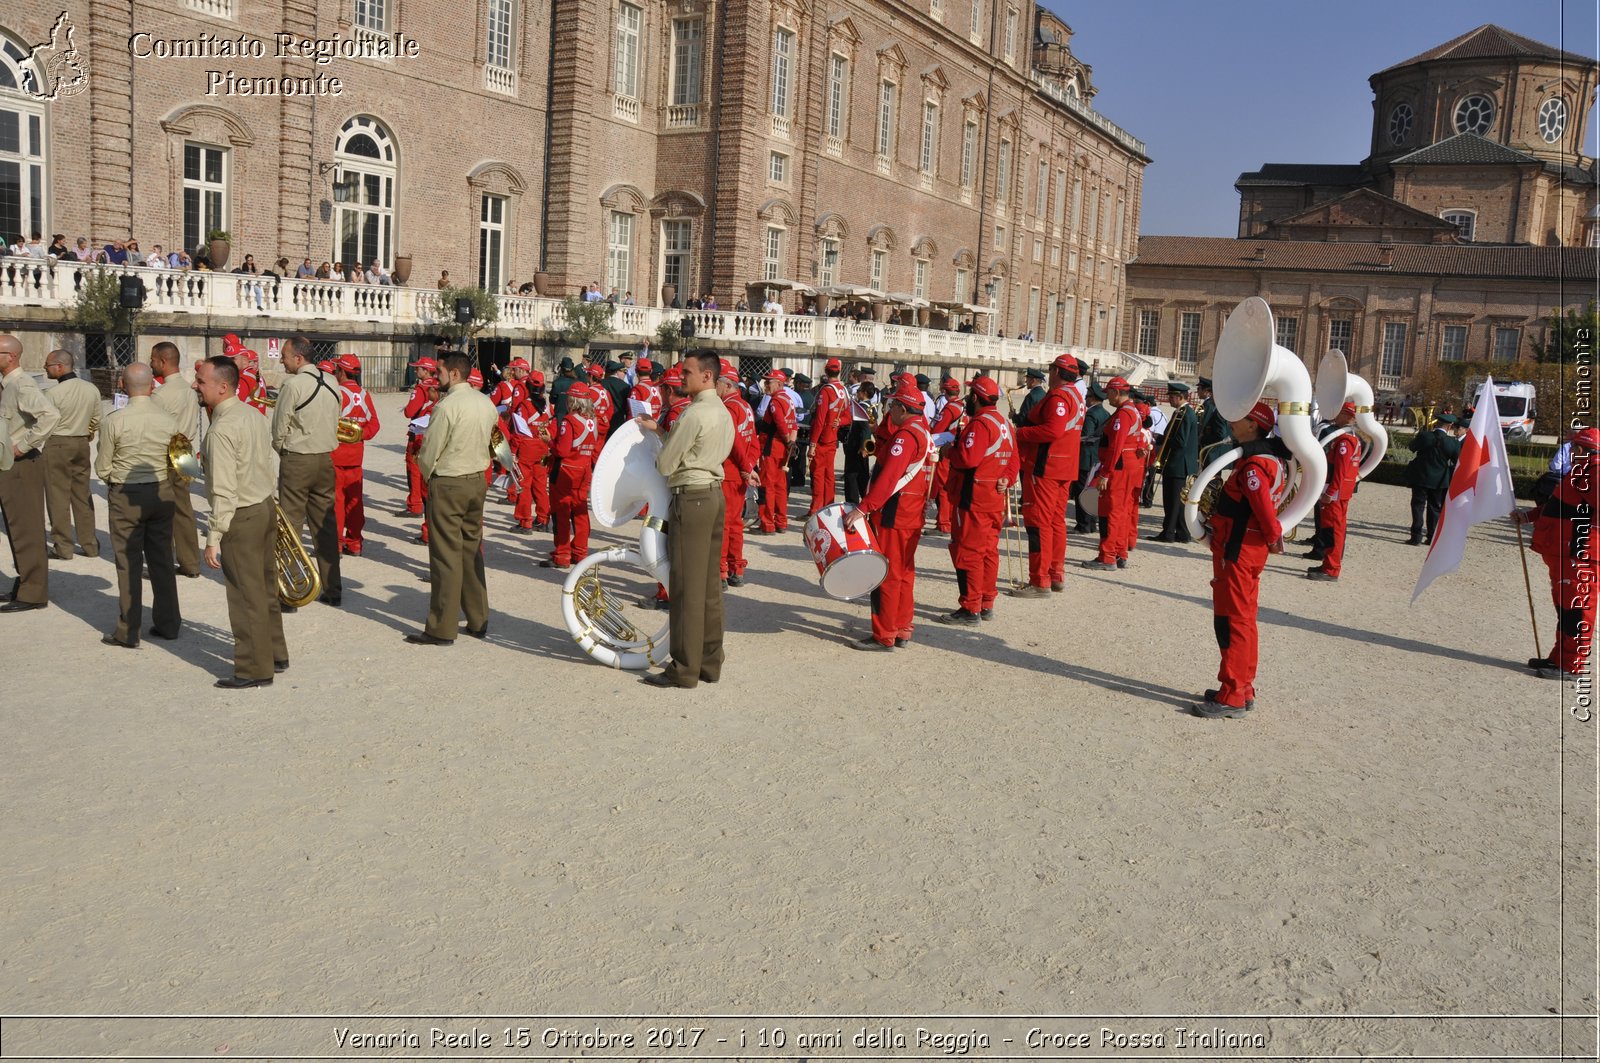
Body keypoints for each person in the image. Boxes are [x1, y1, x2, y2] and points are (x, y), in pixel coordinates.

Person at [638, 351, 734, 689]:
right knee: (708, 587)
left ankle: (683, 668)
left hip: (690, 498)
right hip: (712, 494)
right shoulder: (722, 410)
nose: (682, 378)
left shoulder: (694, 414)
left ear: (707, 376)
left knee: (686, 588)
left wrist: (662, 438)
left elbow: (665, 465)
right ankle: (709, 662)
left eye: (688, 372)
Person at [194, 356, 286, 688]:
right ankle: (275, 652)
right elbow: (264, 462)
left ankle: (253, 668)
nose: (196, 386)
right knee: (265, 587)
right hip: (262, 506)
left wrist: (213, 536)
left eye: (202, 381)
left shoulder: (222, 429)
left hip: (241, 516)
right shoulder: (251, 414)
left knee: (245, 596)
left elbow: (223, 490)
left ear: (222, 386)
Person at [1191, 400, 1286, 719]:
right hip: (1245, 547)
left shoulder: (1254, 465)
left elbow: (1263, 510)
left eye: (1241, 417)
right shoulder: (1268, 459)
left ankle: (1232, 694)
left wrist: (1274, 537)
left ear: (1254, 425)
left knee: (1231, 620)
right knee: (1243, 618)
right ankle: (1242, 686)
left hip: (1237, 549)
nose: (1234, 420)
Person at [406, 352, 497, 645]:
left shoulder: (446, 406)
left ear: (455, 374)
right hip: (476, 481)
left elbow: (430, 450)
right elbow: (495, 442)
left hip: (449, 482)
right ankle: (478, 618)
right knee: (471, 551)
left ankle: (441, 628)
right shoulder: (486, 402)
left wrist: (427, 473)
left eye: (441, 372)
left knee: (445, 555)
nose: (438, 376)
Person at [95, 362, 181, 647]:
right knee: (162, 561)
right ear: (152, 385)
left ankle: (129, 630)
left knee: (128, 563)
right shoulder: (169, 420)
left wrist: (115, 480)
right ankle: (169, 624)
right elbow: (182, 462)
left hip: (126, 495)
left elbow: (103, 466)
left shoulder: (114, 420)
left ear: (122, 385)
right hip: (161, 492)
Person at [846, 383, 933, 650]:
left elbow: (888, 479)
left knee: (886, 574)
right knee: (905, 573)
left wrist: (863, 509)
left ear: (902, 408)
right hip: (911, 511)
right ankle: (902, 627)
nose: (890, 409)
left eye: (893, 405)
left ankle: (884, 634)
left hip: (895, 514)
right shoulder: (923, 431)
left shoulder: (906, 436)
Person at [1514, 426, 1599, 681]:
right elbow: (1559, 505)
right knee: (1565, 609)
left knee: (1577, 610)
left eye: (1573, 447)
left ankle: (1571, 665)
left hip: (1579, 552)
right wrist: (1528, 515)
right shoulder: (1582, 471)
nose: (1570, 451)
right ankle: (1558, 657)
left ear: (1582, 449)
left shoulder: (1592, 471)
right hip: (1567, 551)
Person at [936, 376, 1017, 625]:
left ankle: (970, 607)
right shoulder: (1004, 422)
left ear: (975, 397)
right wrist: (1007, 479)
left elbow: (968, 459)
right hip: (993, 496)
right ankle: (986, 602)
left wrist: (949, 451)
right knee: (989, 552)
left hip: (974, 496)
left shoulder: (980, 424)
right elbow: (1014, 460)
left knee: (968, 551)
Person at [271, 336, 342, 607]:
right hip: (325, 459)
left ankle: (290, 591)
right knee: (324, 525)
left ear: (298, 359)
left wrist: (283, 449)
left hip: (298, 459)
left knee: (290, 526)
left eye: (285, 356)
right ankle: (333, 588)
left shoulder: (293, 384)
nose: (281, 360)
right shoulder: (333, 382)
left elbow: (279, 427)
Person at [1012, 353, 1084, 596]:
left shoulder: (1059, 395)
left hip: (1047, 465)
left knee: (1038, 522)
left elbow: (1052, 430)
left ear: (1055, 372)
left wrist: (1019, 434)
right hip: (1065, 465)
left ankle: (1039, 580)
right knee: (1055, 521)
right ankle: (1055, 573)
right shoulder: (1076, 395)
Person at [0, 334, 61, 610]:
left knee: (27, 528)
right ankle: (25, 581)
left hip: (21, 466)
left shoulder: (22, 384)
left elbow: (50, 415)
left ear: (11, 356)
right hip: (10, 466)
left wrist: (23, 446)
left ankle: (33, 593)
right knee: (16, 526)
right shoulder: (8, 384)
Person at [42, 349, 102, 560]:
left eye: (47, 365)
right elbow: (96, 417)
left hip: (58, 443)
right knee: (82, 494)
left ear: (59, 366)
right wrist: (88, 431)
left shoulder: (53, 394)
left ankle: (63, 547)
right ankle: (90, 544)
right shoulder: (91, 388)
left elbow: (45, 422)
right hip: (82, 443)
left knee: (57, 496)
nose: (44, 368)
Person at [1084, 377, 1140, 571]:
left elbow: (1116, 446)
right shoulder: (1132, 411)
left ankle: (1107, 556)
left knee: (1111, 512)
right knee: (1122, 512)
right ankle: (1119, 552)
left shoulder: (1124, 414)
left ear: (1116, 392)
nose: (1106, 397)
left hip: (1117, 468)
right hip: (1127, 467)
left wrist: (1105, 473)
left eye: (1108, 393)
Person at [542, 383, 600, 570]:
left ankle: (562, 555)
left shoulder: (569, 420)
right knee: (581, 513)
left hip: (567, 471)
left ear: (573, 400)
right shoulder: (593, 420)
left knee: (562, 513)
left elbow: (562, 450)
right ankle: (580, 552)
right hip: (584, 470)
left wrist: (548, 441)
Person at [1305, 403, 1362, 582]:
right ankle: (1329, 564)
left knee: (1332, 530)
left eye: (1339, 413)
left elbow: (1340, 471)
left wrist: (1330, 492)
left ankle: (1331, 568)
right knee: (1334, 529)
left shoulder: (1345, 441)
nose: (1335, 415)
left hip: (1335, 494)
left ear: (1347, 415)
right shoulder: (1351, 438)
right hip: (1341, 492)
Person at [332, 354, 380, 556]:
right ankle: (354, 543)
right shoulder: (364, 393)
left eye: (336, 370)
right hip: (356, 456)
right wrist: (359, 436)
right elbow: (374, 425)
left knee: (337, 502)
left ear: (341, 372)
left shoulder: (335, 393)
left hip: (335, 455)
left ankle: (336, 543)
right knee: (355, 502)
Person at [717, 359, 758, 587]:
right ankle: (736, 569)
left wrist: (744, 467)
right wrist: (749, 467)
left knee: (723, 523)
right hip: (740, 473)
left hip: (730, 472)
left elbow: (733, 442)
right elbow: (754, 440)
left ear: (726, 385)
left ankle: (722, 572)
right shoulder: (745, 406)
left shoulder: (728, 407)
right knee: (735, 524)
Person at [1150, 381, 1198, 543]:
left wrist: (1161, 439)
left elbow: (1180, 441)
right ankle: (1183, 533)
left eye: (1171, 397)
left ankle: (1169, 532)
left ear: (1179, 397)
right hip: (1178, 463)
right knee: (1177, 501)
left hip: (1178, 463)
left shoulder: (1184, 414)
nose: (1169, 399)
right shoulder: (1182, 412)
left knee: (1172, 501)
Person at [1406, 413, 1460, 545]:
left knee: (1418, 506)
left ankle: (1416, 536)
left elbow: (1412, 447)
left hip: (1421, 477)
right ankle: (1431, 536)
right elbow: (1456, 460)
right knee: (1434, 507)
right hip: (1439, 480)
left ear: (1437, 423)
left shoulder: (1425, 436)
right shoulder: (1453, 442)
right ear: (1449, 426)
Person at [755, 370, 798, 533]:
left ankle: (767, 523)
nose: (765, 385)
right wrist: (791, 443)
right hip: (784, 448)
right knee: (781, 485)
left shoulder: (774, 401)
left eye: (768, 382)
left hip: (771, 447)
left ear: (779, 384)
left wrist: (788, 441)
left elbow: (780, 423)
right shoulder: (788, 399)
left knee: (767, 485)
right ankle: (781, 522)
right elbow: (794, 424)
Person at [806, 358, 848, 514]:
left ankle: (816, 509)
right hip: (832, 437)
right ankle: (828, 506)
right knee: (829, 475)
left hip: (822, 439)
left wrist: (812, 444)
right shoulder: (843, 390)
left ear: (825, 370)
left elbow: (819, 420)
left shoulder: (826, 390)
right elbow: (848, 416)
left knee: (817, 474)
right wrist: (839, 421)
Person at [927, 376, 965, 533]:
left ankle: (943, 524)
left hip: (944, 448)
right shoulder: (962, 406)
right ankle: (948, 520)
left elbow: (938, 429)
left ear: (944, 391)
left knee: (942, 486)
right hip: (956, 448)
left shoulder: (950, 408)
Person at [843, 367, 878, 503]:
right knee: (862, 476)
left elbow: (864, 428)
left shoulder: (862, 408)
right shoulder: (871, 407)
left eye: (858, 391)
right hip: (864, 444)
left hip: (857, 445)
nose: (857, 393)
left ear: (863, 393)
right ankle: (865, 500)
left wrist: (863, 446)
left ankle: (851, 502)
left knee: (851, 476)